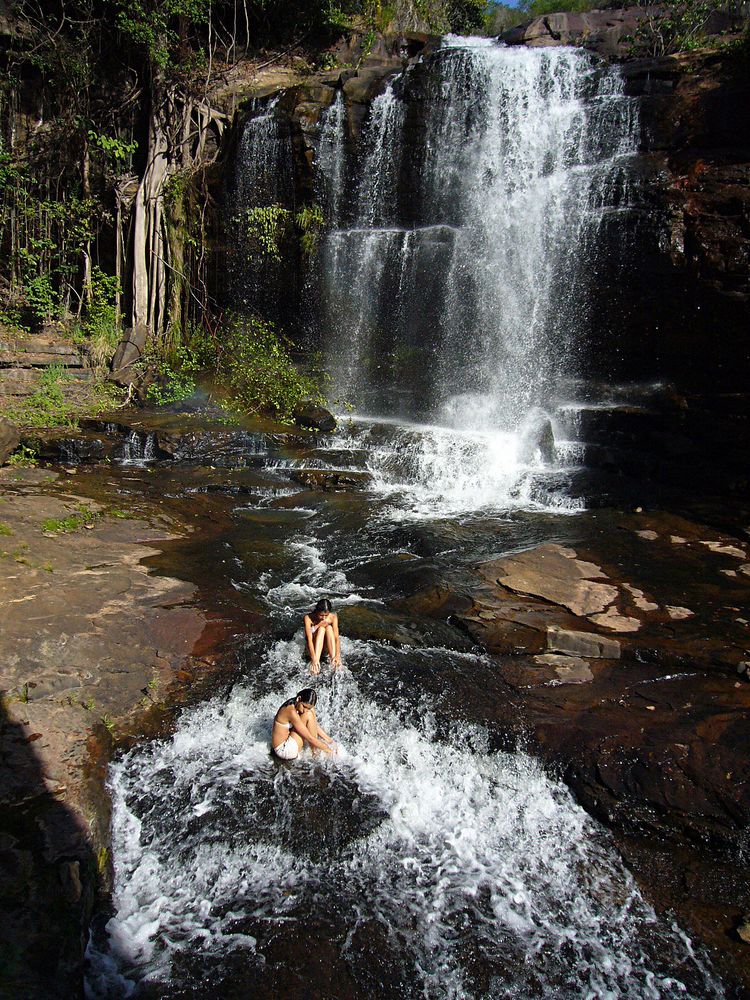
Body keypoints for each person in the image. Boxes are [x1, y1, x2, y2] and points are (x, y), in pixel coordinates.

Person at [271, 688, 338, 760]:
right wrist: (328, 750)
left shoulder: (296, 703)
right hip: (284, 750)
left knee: (310, 711)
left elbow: (313, 724)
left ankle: (315, 749)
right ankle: (315, 753)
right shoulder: (290, 711)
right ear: (299, 699)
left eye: (307, 708)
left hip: (288, 739)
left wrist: (329, 740)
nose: (304, 710)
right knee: (308, 714)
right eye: (304, 706)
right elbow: (309, 738)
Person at [303, 598, 342, 674]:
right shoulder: (308, 618)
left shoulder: (333, 617)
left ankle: (334, 661)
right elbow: (309, 639)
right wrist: (313, 658)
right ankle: (316, 665)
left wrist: (338, 655)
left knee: (329, 628)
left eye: (326, 615)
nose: (323, 618)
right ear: (317, 611)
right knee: (321, 629)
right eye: (321, 615)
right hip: (314, 649)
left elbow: (336, 638)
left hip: (326, 648)